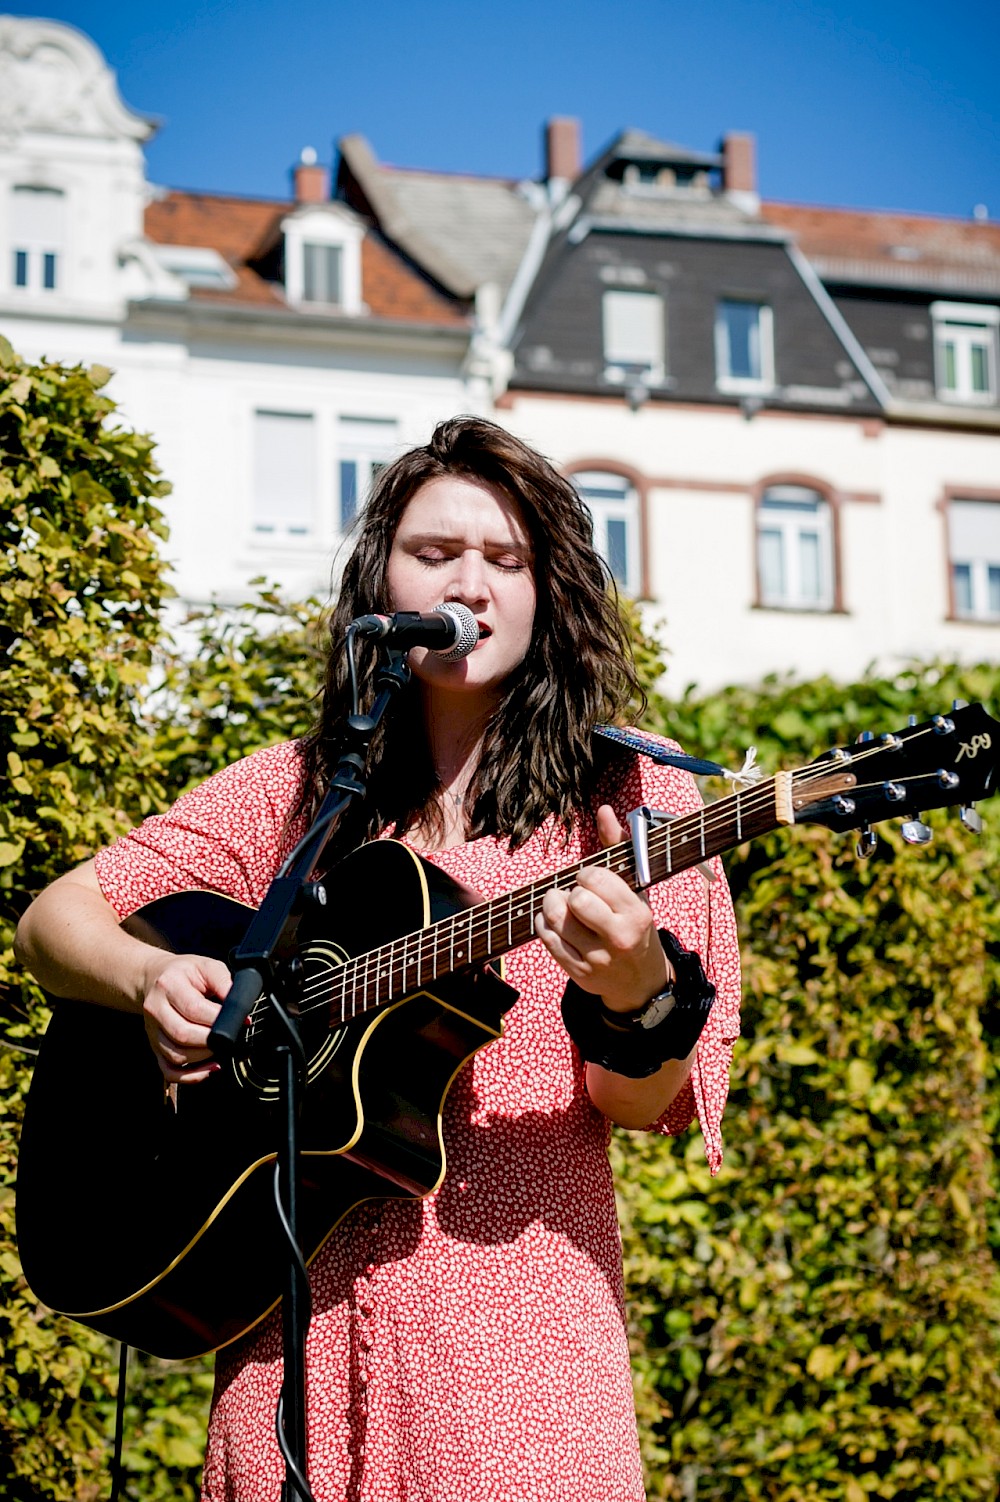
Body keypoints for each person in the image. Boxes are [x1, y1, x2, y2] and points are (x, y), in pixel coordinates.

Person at [15, 417, 741, 1502]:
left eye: (506, 559)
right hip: (287, 1350)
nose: (471, 583)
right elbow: (55, 919)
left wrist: (637, 995)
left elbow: (639, 1106)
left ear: (551, 592)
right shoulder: (300, 792)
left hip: (516, 1365)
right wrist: (150, 979)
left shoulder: (635, 804)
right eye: (435, 553)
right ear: (383, 579)